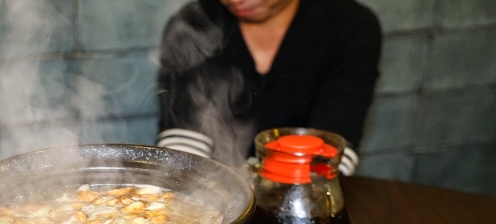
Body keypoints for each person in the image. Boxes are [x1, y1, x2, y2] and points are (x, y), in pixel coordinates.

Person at [157, 0, 382, 176]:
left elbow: (333, 149)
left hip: (305, 191)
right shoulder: (192, 25)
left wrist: (261, 190)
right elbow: (183, 139)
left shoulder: (350, 25)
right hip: (214, 195)